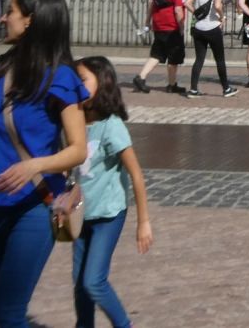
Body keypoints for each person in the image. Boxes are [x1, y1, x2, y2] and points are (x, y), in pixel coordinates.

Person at [0, 0, 89, 328]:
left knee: (10, 312)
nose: (3, 18)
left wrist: (35, 165)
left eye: (10, 12)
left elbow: (78, 149)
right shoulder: (3, 68)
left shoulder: (61, 77)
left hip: (33, 204)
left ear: (30, 20)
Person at [72, 57, 152, 328]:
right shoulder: (73, 121)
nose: (76, 86)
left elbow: (136, 174)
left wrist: (143, 222)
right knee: (80, 283)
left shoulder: (111, 125)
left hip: (108, 214)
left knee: (93, 281)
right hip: (80, 215)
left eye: (82, 80)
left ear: (103, 83)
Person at [133, 0, 187, 95]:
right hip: (171, 26)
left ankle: (141, 77)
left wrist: (148, 22)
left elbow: (152, 5)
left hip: (158, 24)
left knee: (157, 54)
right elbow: (178, 9)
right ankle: (171, 85)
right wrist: (181, 26)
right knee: (174, 57)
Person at [187, 0, 237, 98]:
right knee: (219, 59)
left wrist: (196, 13)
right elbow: (217, 5)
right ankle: (226, 88)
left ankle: (193, 89)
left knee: (199, 59)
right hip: (212, 28)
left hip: (199, 28)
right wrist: (222, 17)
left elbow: (187, 3)